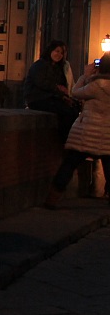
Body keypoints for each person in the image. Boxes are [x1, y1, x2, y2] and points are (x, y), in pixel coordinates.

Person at [44, 54, 110, 208]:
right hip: (107, 134)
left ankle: (52, 198)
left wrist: (86, 75)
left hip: (87, 132)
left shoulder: (96, 85)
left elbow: (76, 92)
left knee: (69, 164)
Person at [25, 40, 80, 140]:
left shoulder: (57, 68)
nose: (59, 55)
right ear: (50, 51)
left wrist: (63, 96)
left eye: (61, 53)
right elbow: (43, 83)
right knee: (66, 111)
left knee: (74, 109)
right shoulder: (40, 65)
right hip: (39, 98)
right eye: (57, 51)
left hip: (50, 97)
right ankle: (63, 139)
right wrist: (58, 90)